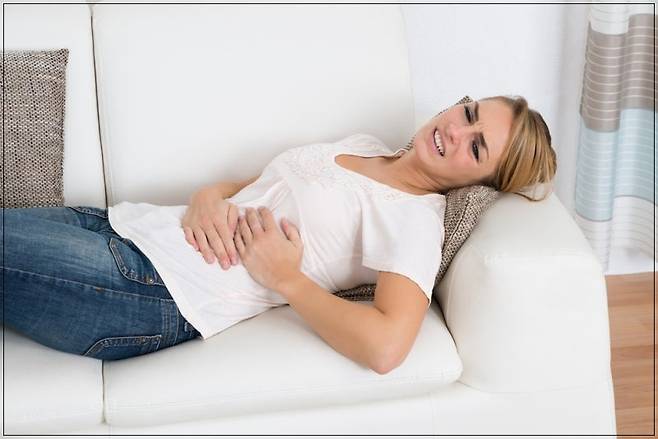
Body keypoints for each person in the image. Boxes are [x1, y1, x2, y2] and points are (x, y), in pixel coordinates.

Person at [2, 95, 556, 373]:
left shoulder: (414, 221)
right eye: (468, 112)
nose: (455, 131)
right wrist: (207, 197)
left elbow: (387, 348)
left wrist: (288, 280)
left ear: (479, 181)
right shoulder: (367, 146)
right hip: (122, 225)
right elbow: (252, 186)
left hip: (146, 288)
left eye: (476, 146)